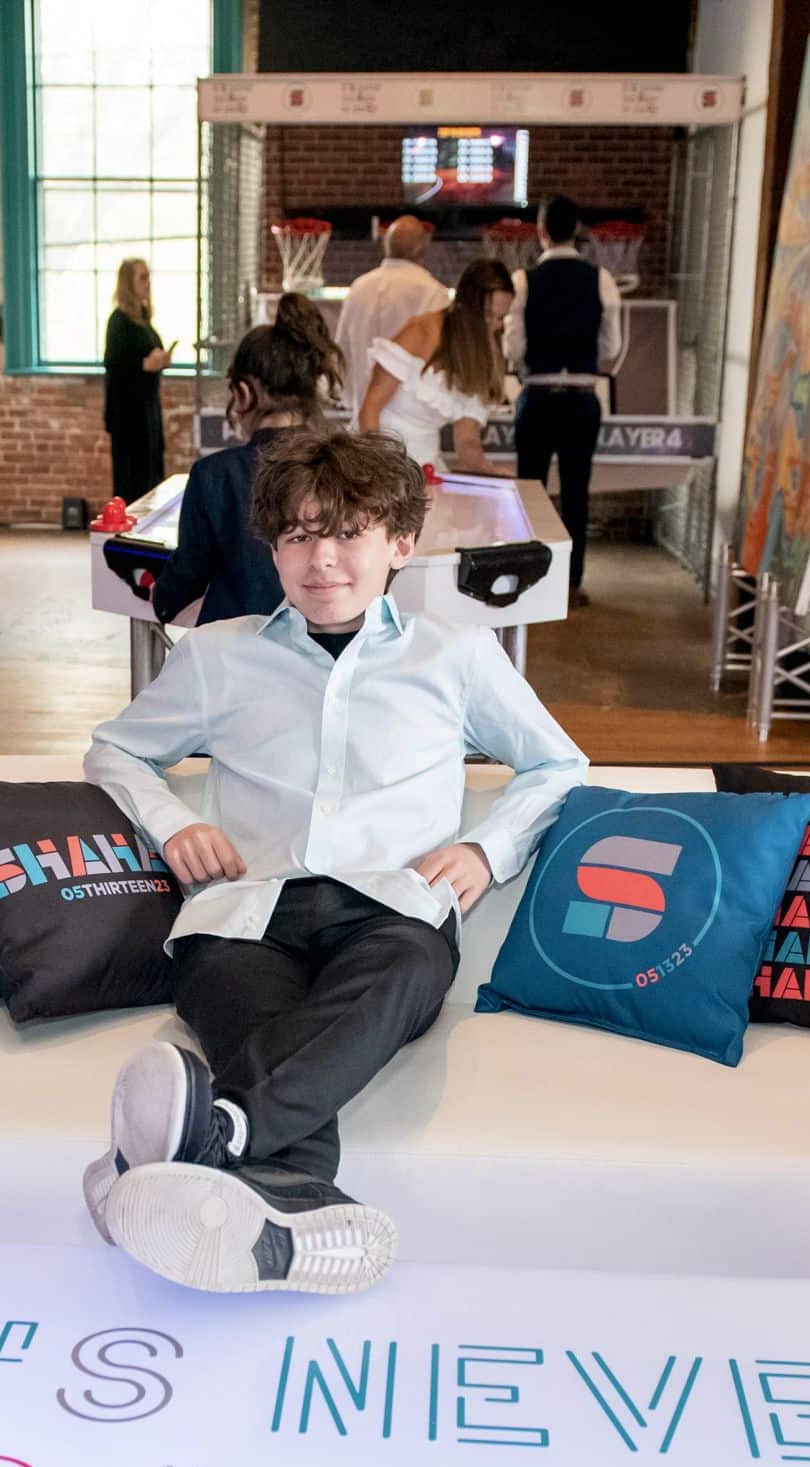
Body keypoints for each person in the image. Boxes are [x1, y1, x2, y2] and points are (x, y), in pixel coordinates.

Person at [81, 430, 587, 1296]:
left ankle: (210, 1138)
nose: (323, 560)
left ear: (400, 542)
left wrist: (486, 849)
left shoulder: (456, 657)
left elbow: (558, 763)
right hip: (242, 918)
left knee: (397, 976)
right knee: (262, 1021)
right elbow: (114, 752)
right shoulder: (215, 655)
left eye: (348, 533)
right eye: (299, 536)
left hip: (392, 915)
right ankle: (287, 1205)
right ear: (272, 547)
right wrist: (170, 825)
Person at [151, 292, 345, 627]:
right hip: (324, 651)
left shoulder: (214, 475)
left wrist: (162, 598)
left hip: (235, 654)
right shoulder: (348, 464)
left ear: (243, 393)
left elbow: (188, 574)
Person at [503, 194, 624, 602]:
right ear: (577, 231)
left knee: (528, 492)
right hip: (581, 398)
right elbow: (612, 345)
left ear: (540, 233)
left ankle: (526, 579)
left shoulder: (524, 280)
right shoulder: (600, 278)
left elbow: (513, 349)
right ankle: (571, 585)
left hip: (537, 395)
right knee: (577, 491)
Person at [356, 259, 513, 475]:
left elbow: (466, 440)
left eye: (502, 318)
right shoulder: (421, 332)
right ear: (466, 306)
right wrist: (382, 473)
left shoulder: (480, 359)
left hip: (426, 466)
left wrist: (489, 470)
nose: (496, 326)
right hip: (377, 458)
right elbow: (369, 410)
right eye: (488, 315)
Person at [335, 217, 449, 423]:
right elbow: (438, 359)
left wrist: (352, 399)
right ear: (421, 249)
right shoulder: (433, 292)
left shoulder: (359, 287)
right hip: (411, 421)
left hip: (362, 416)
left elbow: (342, 351)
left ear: (386, 245)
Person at [103, 257, 174, 503]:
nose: (147, 283)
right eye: (142, 278)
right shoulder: (119, 321)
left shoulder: (142, 320)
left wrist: (160, 360)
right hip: (128, 415)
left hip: (147, 410)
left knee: (151, 474)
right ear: (128, 283)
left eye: (148, 277)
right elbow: (114, 363)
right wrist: (144, 364)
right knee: (131, 478)